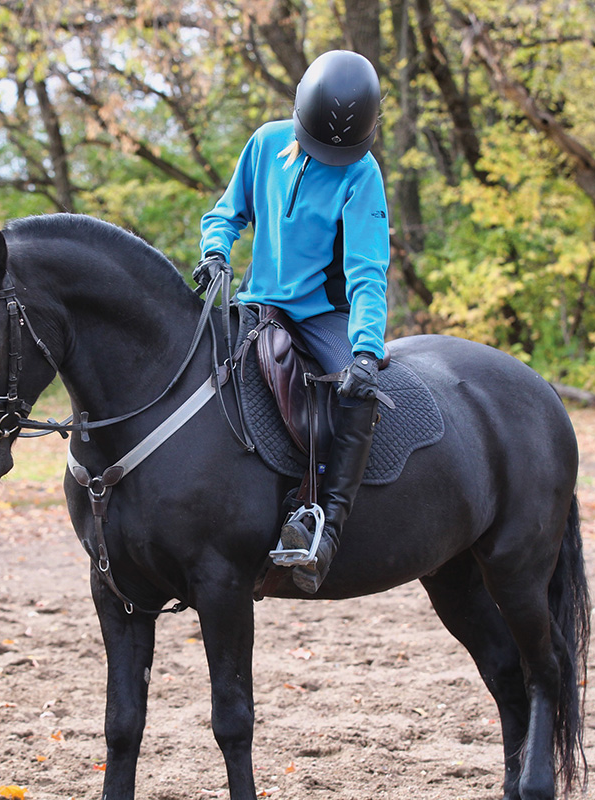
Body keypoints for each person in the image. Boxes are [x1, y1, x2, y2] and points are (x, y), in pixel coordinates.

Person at [195, 50, 389, 594]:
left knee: (359, 394)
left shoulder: (362, 172)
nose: (325, 157)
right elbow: (225, 213)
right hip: (256, 300)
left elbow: (367, 271)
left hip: (322, 315)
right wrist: (215, 252)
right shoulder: (264, 142)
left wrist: (368, 351)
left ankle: (325, 529)